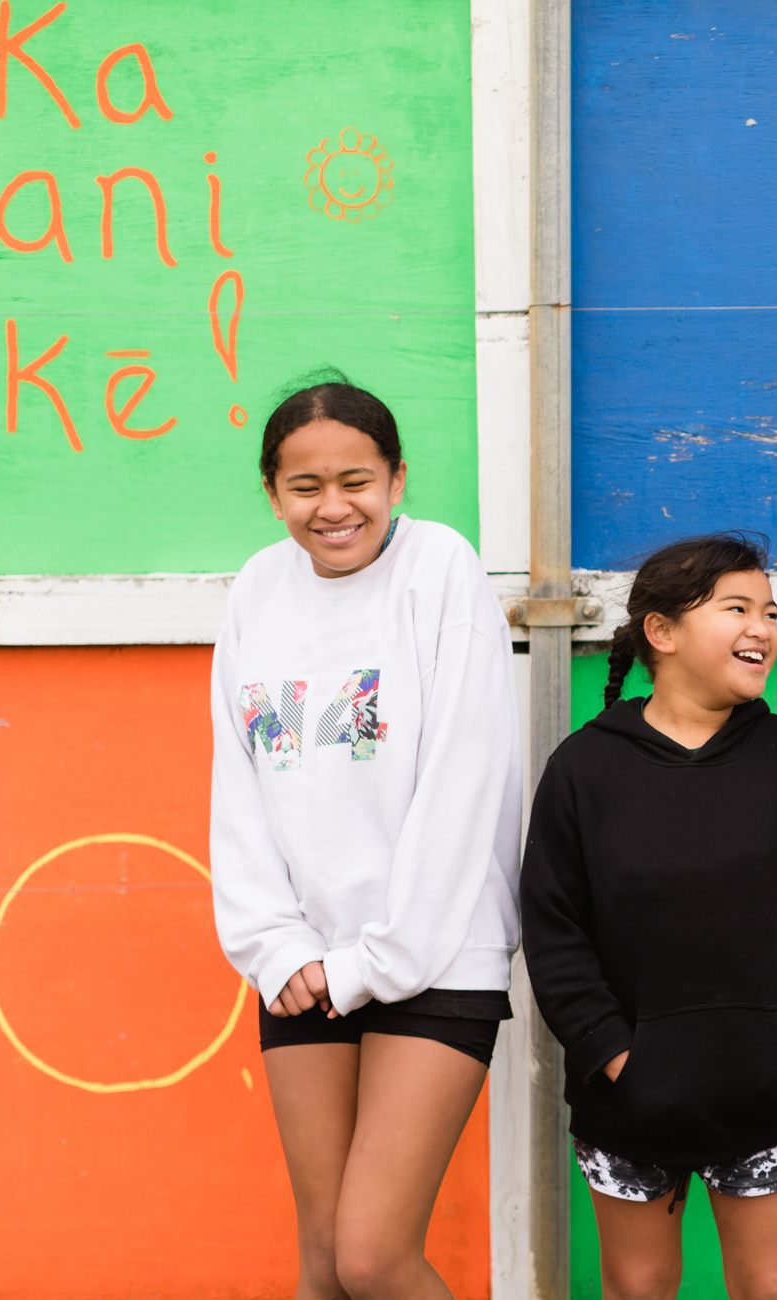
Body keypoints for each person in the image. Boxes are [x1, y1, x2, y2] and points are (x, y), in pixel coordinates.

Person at [210, 380, 522, 1300]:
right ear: (272, 492)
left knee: (371, 1256)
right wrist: (274, 947)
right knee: (320, 1261)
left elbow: (467, 784)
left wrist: (371, 963)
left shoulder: (440, 569)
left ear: (396, 478)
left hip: (435, 958)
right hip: (301, 966)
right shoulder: (258, 589)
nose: (332, 507)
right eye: (305, 486)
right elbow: (241, 782)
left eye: (357, 480)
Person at [520, 533, 777, 1300]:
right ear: (662, 632)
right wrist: (616, 1056)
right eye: (736, 608)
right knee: (639, 1287)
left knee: (771, 1286)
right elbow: (554, 932)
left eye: (769, 611)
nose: (762, 628)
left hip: (766, 1094)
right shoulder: (584, 768)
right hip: (626, 1102)